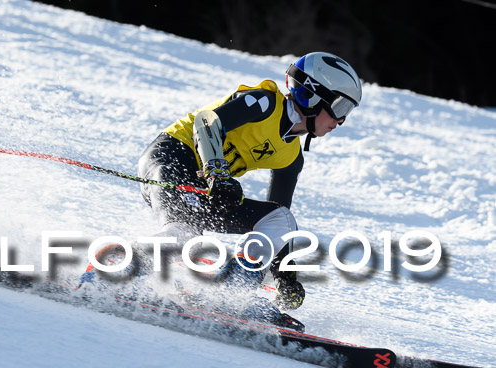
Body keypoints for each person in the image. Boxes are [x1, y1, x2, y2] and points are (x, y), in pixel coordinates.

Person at [137, 51, 363, 314]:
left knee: (282, 218)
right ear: (311, 95)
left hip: (209, 187)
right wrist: (217, 172)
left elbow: (278, 217)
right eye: (339, 107)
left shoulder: (291, 157)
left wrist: (284, 275)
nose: (340, 121)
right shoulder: (264, 103)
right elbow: (206, 122)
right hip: (171, 158)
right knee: (185, 236)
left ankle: (233, 293)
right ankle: (113, 269)